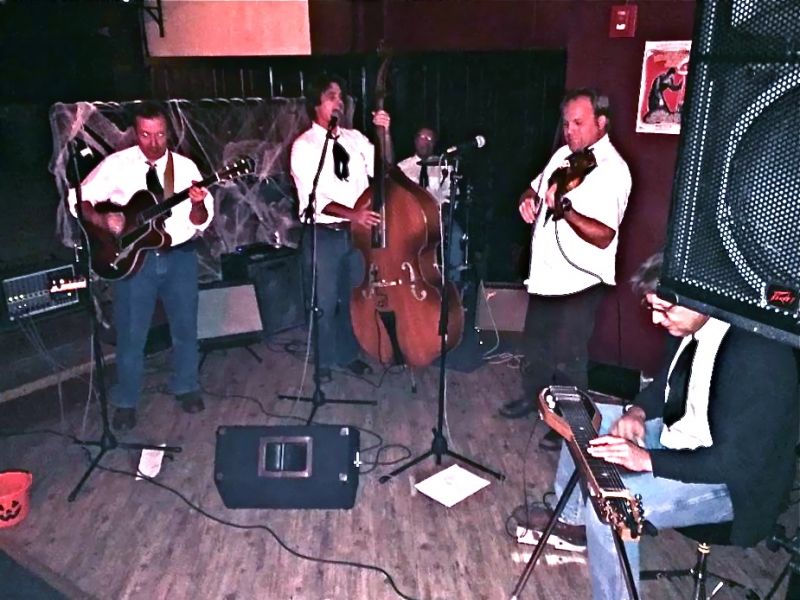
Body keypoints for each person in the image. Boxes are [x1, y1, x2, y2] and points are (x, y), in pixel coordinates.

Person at [515, 252, 799, 600]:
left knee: (612, 511)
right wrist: (637, 412)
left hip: (729, 486)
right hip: (679, 440)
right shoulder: (689, 324)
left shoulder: (758, 355)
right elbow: (666, 382)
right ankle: (572, 524)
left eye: (665, 310)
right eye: (651, 308)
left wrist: (645, 460)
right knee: (584, 424)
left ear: (703, 299)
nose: (656, 319)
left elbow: (736, 463)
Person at [68, 101, 215, 432]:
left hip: (179, 256)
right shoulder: (117, 164)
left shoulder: (186, 168)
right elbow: (76, 199)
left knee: (185, 328)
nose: (154, 142)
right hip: (134, 260)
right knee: (132, 334)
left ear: (169, 132)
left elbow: (201, 220)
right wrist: (102, 219)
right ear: (135, 132)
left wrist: (197, 205)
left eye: (160, 134)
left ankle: (186, 386)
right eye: (146, 135)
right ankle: (126, 400)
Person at [500, 89, 632, 424]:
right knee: (536, 350)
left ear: (601, 122)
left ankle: (568, 424)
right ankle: (534, 401)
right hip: (546, 275)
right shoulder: (563, 155)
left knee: (569, 359)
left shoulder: (613, 170)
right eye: (566, 123)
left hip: (579, 281)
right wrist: (527, 199)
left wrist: (566, 212)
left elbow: (604, 235)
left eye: (578, 123)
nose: (569, 130)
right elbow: (534, 187)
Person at [290, 73, 391, 380]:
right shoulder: (304, 146)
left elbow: (385, 167)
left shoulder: (355, 138)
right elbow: (314, 199)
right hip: (325, 234)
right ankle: (322, 363)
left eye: (340, 97)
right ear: (316, 104)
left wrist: (384, 134)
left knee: (353, 299)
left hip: (356, 236)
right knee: (323, 303)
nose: (339, 103)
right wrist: (353, 214)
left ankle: (348, 355)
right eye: (331, 97)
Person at [397, 126, 464, 283]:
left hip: (437, 217)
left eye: (429, 139)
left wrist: (444, 211)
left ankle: (453, 283)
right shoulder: (402, 168)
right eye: (422, 137)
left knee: (456, 234)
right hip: (409, 219)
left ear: (434, 143)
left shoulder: (444, 166)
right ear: (415, 140)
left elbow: (452, 193)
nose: (425, 142)